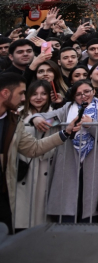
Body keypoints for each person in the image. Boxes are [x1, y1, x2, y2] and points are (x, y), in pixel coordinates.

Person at [34, 78, 98, 223]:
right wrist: (37, 119)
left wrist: (92, 125)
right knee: (67, 209)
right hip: (69, 162)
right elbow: (49, 120)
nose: (83, 96)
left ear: (94, 91)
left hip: (94, 163)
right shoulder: (66, 109)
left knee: (90, 209)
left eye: (87, 91)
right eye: (78, 94)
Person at [1, 74, 73, 232]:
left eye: (43, 94)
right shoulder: (19, 116)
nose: (23, 98)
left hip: (14, 186)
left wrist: (65, 133)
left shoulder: (15, 120)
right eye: (23, 93)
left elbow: (34, 148)